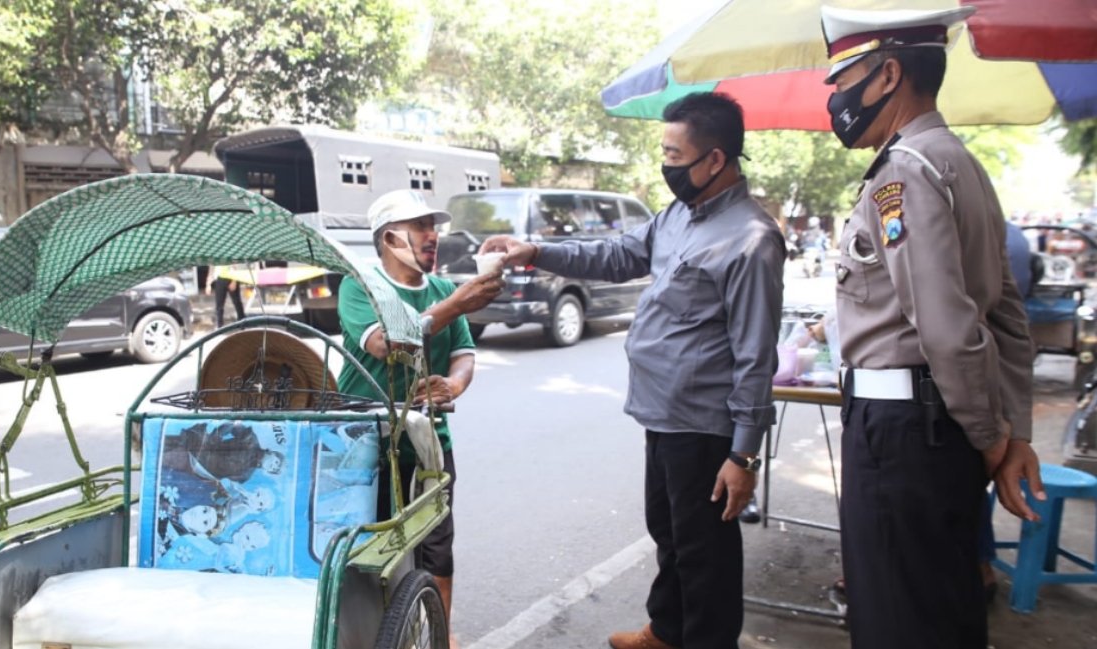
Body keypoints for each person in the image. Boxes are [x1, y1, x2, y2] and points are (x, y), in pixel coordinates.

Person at [481, 92, 785, 649]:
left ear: (715, 159)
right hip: (662, 412)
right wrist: (535, 252)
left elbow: (755, 354)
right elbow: (615, 256)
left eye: (674, 155)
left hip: (704, 426)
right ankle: (667, 630)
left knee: (705, 554)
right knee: (669, 533)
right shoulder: (676, 216)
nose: (666, 166)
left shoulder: (750, 239)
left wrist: (743, 455)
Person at [820, 6, 1044, 648]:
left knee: (896, 618)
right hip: (934, 434)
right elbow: (1006, 313)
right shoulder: (960, 163)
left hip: (904, 436)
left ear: (888, 73)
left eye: (843, 81)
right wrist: (1012, 430)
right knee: (936, 609)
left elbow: (949, 329)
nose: (836, 99)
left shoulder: (905, 172)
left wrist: (994, 439)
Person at [336, 189, 504, 644]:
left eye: (434, 227)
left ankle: (440, 636)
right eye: (421, 228)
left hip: (430, 443)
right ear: (390, 239)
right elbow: (387, 345)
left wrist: (454, 384)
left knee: (436, 552)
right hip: (365, 445)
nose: (434, 236)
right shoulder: (361, 285)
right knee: (370, 550)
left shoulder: (444, 289)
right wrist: (459, 302)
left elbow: (465, 355)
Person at [206, 264, 245, 329]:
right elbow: (211, 270)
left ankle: (243, 324)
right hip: (220, 279)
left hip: (231, 278)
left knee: (237, 302)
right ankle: (219, 326)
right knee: (219, 305)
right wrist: (208, 284)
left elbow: (235, 267)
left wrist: (234, 281)